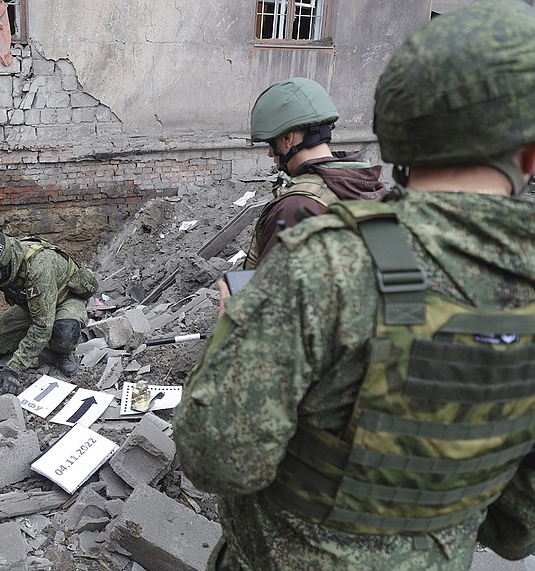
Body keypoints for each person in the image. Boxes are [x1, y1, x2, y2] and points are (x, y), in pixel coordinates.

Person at [174, 1, 535, 569]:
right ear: (530, 154)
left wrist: (231, 328)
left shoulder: (328, 265)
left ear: (400, 131)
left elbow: (217, 457)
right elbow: (517, 529)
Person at [243, 76, 387, 270]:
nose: (270, 153)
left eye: (271, 143)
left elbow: (268, 294)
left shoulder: (296, 207)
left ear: (287, 138)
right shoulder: (363, 184)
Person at [0, 229, 98, 394]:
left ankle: (63, 352)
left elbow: (41, 326)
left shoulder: (39, 267)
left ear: (3, 265)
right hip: (32, 306)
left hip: (65, 300)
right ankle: (36, 344)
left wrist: (14, 367)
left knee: (65, 333)